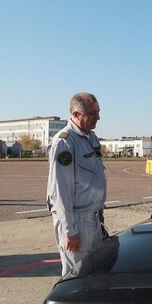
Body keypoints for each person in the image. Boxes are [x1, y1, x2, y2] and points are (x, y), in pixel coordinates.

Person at [46, 92, 106, 276]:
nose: (98, 117)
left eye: (98, 112)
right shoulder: (64, 142)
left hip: (93, 219)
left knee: (95, 272)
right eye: (92, 113)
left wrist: (100, 213)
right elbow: (60, 191)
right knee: (76, 278)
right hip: (76, 221)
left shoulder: (91, 138)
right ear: (75, 115)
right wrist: (69, 230)